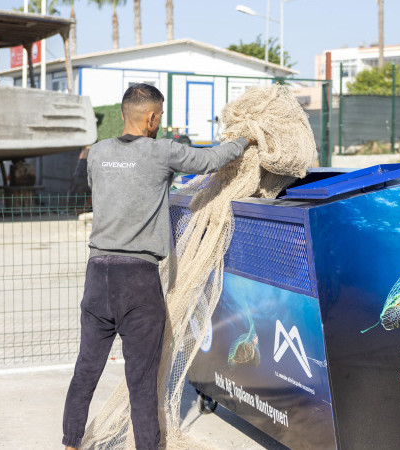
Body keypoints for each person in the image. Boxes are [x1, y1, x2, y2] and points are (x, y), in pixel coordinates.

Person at [62, 83, 255, 450]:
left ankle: (71, 443)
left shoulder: (98, 153)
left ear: (123, 113)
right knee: (142, 380)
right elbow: (212, 160)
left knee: (86, 369)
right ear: (150, 118)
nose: (160, 123)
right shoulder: (162, 152)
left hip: (98, 274)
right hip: (138, 278)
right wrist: (246, 139)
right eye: (160, 117)